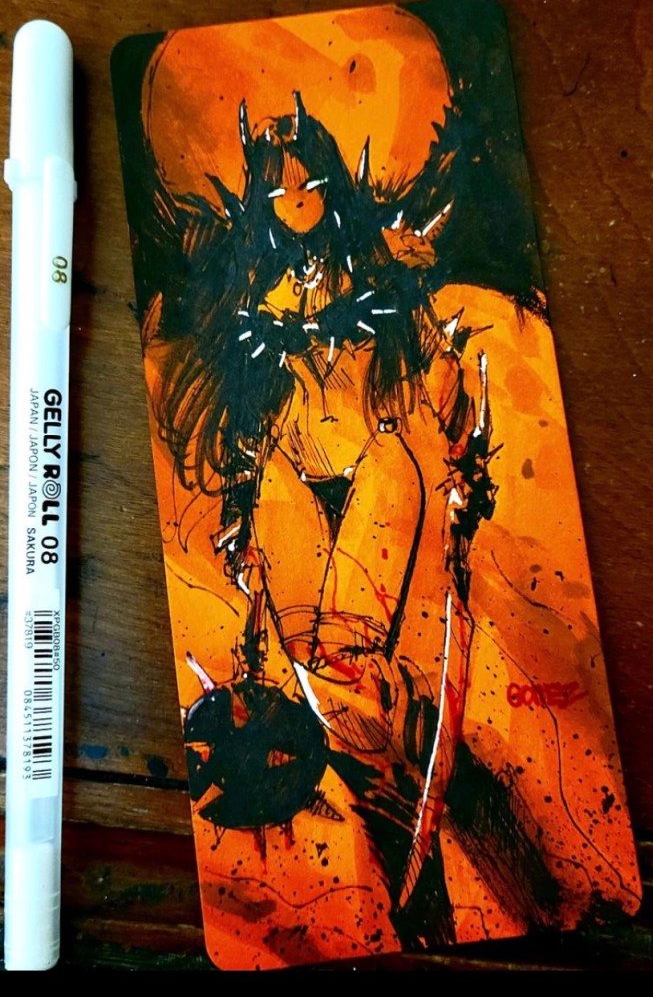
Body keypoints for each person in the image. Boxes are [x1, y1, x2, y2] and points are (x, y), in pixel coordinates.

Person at [150, 92, 559, 947]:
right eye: (278, 191)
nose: (294, 203)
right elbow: (241, 407)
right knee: (321, 682)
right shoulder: (246, 284)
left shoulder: (380, 263)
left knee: (369, 669)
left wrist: (464, 464)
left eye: (306, 185)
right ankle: (409, 841)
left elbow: (437, 364)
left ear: (329, 182)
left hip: (380, 463)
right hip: (286, 480)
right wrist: (241, 508)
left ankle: (438, 823)